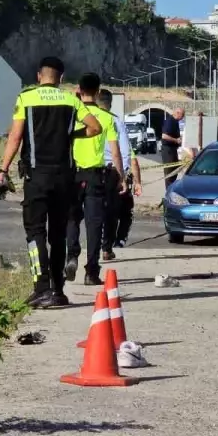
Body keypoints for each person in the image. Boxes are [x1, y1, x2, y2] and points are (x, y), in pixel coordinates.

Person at [0, 57, 108, 308]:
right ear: (61, 78)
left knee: (35, 232)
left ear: (39, 76)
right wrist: (72, 135)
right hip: (64, 178)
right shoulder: (70, 100)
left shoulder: (26, 98)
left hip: (36, 176)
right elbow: (95, 128)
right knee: (58, 235)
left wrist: (3, 169)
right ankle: (58, 291)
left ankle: (41, 287)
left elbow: (15, 137)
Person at [65, 75, 124, 286]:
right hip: (96, 176)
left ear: (79, 90)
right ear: (98, 92)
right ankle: (91, 272)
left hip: (73, 174)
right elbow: (115, 152)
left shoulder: (73, 115)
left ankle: (71, 255)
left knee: (72, 218)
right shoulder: (106, 118)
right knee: (94, 224)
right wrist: (121, 177)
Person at [100, 88, 142, 254]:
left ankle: (95, 246)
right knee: (120, 211)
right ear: (110, 104)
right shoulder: (116, 121)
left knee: (95, 212)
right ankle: (113, 243)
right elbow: (127, 156)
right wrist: (130, 180)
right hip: (113, 173)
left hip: (90, 172)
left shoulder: (86, 117)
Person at [160, 107, 183, 187]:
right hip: (168, 150)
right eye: (182, 115)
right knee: (169, 173)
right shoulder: (170, 121)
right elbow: (164, 136)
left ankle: (171, 187)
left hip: (173, 150)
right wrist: (176, 140)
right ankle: (169, 190)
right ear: (177, 113)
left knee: (175, 170)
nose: (183, 117)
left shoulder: (175, 122)